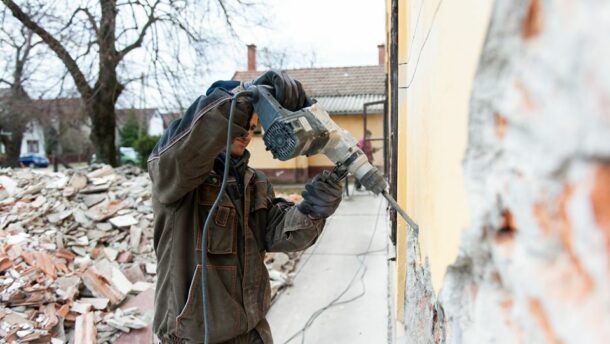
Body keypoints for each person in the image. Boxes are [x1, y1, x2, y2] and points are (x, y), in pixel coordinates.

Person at [148, 70, 343, 344]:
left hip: (253, 332)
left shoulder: (254, 181)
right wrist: (241, 100)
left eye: (252, 128)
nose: (246, 134)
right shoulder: (179, 178)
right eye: (241, 126)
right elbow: (184, 155)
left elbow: (277, 232)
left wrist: (313, 210)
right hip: (194, 338)